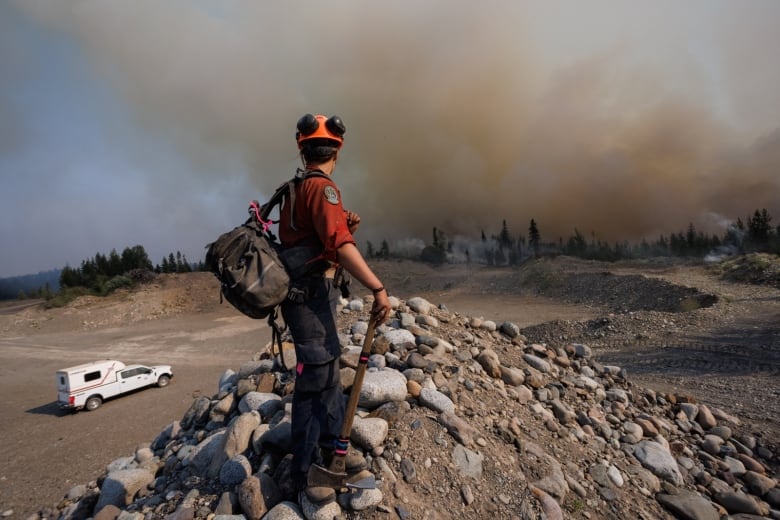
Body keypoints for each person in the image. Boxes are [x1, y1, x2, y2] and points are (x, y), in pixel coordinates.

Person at [278, 113, 391, 505]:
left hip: (304, 296)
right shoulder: (324, 189)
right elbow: (339, 248)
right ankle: (304, 473)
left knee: (327, 372)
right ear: (336, 152)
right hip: (310, 298)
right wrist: (377, 288)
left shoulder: (294, 189)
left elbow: (307, 241)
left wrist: (344, 229)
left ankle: (333, 451)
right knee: (313, 382)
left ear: (301, 147)